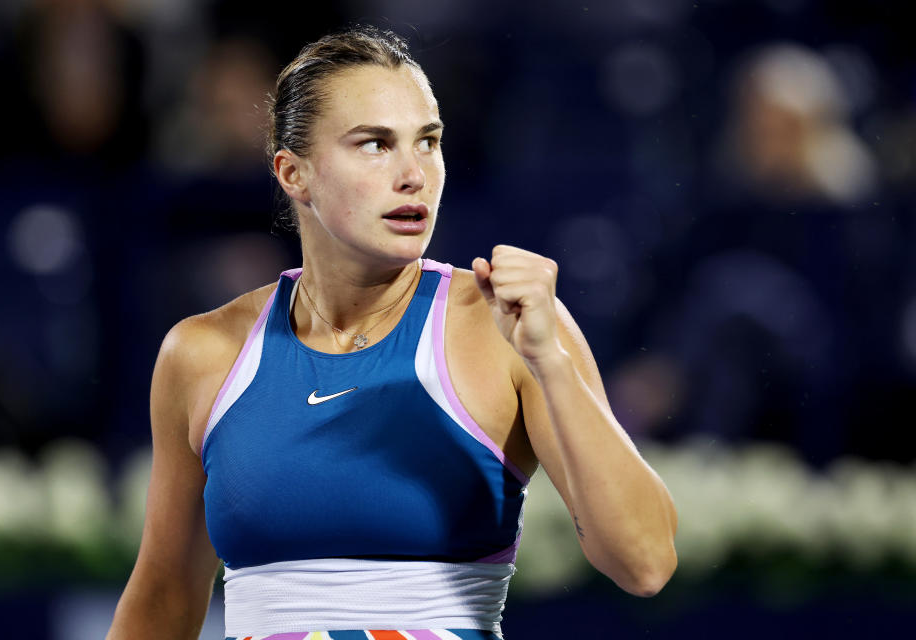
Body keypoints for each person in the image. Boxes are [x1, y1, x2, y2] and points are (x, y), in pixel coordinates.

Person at [106, 25, 678, 640]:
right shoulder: (201, 354)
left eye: (427, 142)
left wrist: (550, 363)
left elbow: (644, 563)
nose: (414, 175)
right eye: (375, 144)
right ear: (293, 174)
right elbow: (163, 600)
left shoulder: (504, 326)